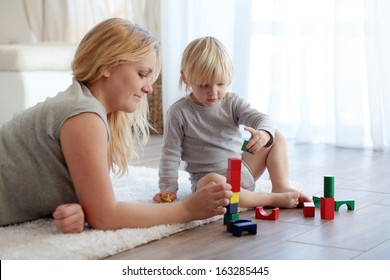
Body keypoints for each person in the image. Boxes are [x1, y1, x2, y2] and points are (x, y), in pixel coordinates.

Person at [0, 19, 232, 234]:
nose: (149, 88)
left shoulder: (82, 106)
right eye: (142, 74)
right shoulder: (84, 115)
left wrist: (82, 207)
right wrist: (187, 210)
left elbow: (91, 204)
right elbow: (105, 217)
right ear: (107, 66)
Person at [153, 36, 311, 209]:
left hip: (242, 171)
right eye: (204, 85)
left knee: (276, 135)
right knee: (212, 180)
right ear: (185, 77)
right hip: (209, 182)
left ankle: (279, 185)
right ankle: (269, 199)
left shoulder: (232, 102)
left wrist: (264, 135)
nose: (213, 92)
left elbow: (262, 119)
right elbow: (170, 153)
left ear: (229, 78)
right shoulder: (179, 112)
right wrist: (168, 188)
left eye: (220, 84)